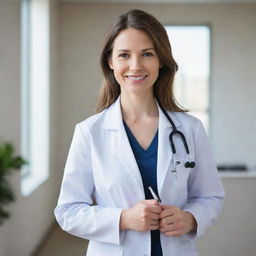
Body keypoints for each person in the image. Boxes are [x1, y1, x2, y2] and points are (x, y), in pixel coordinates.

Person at [54, 9, 225, 256]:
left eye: (147, 54)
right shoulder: (90, 132)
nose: (136, 66)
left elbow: (210, 197)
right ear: (111, 61)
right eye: (124, 55)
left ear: (161, 61)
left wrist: (190, 218)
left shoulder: (190, 129)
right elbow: (67, 211)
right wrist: (123, 219)